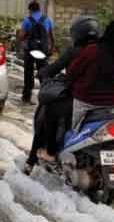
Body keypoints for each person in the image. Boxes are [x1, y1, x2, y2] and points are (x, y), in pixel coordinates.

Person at [24, 17, 101, 175]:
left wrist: (43, 72)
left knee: (50, 110)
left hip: (82, 98)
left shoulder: (77, 52)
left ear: (79, 34)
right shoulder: (105, 50)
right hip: (107, 101)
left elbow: (58, 67)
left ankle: (47, 153)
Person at [68, 19, 114, 131]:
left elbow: (73, 71)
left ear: (107, 32)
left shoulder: (92, 50)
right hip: (112, 104)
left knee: (75, 132)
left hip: (85, 103)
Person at [18, 1, 55, 104]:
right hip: (43, 50)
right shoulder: (47, 20)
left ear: (30, 10)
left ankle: (26, 97)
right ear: (39, 9)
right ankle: (45, 96)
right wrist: (51, 49)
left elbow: (21, 36)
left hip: (30, 50)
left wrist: (24, 37)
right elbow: (52, 36)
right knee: (43, 72)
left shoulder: (27, 20)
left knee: (28, 72)